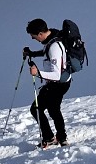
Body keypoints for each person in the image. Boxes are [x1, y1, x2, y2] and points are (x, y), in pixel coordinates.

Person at [23, 18, 73, 148]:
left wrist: (37, 73)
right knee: (51, 109)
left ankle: (55, 138)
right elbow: (47, 53)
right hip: (59, 83)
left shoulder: (54, 46)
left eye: (34, 37)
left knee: (38, 109)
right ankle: (59, 138)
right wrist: (32, 54)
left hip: (58, 84)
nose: (34, 39)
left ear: (40, 33)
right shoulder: (52, 38)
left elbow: (56, 75)